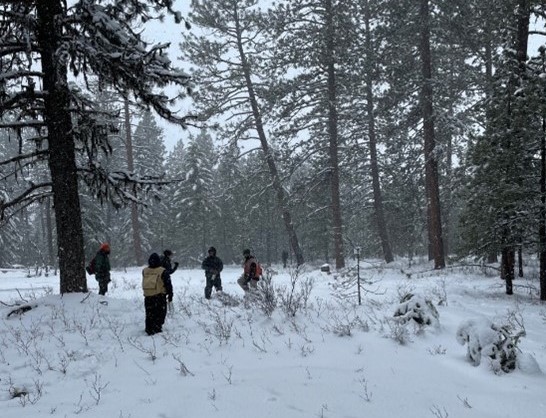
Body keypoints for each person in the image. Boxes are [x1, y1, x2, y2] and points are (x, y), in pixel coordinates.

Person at [142, 252, 173, 336]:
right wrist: (170, 295)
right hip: (159, 296)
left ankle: (149, 328)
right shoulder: (162, 271)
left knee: (149, 313)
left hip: (148, 296)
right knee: (160, 313)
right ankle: (157, 328)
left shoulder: (145, 271)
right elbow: (168, 284)